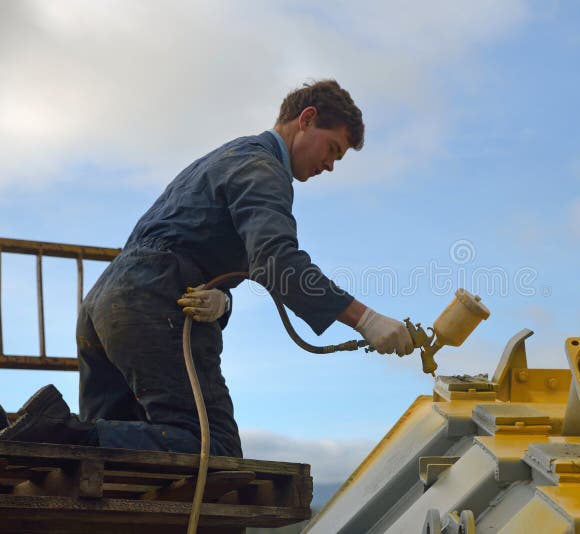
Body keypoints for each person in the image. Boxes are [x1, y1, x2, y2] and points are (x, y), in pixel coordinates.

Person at [0, 80, 414, 457]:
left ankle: (21, 429)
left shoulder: (226, 157)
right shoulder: (264, 169)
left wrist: (223, 303)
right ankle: (46, 430)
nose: (330, 166)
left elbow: (185, 242)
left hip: (105, 304)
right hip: (152, 301)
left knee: (103, 454)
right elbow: (277, 261)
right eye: (333, 150)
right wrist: (366, 319)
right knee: (210, 446)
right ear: (306, 120)